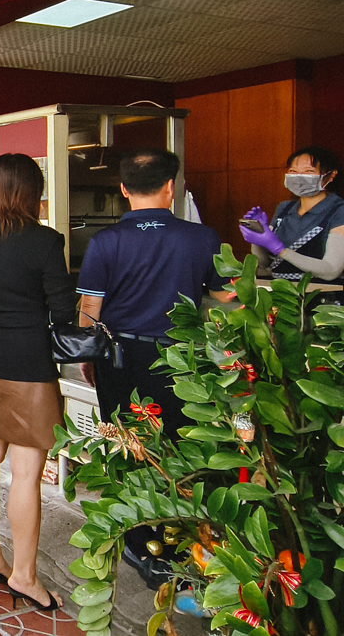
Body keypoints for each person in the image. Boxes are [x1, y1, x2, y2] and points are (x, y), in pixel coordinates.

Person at [76, 148, 234, 587]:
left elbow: (90, 308)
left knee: (131, 446)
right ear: (171, 187)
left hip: (119, 359)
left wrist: (91, 356)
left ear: (123, 189)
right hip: (181, 362)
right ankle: (188, 543)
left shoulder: (105, 242)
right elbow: (229, 302)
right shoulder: (203, 238)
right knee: (182, 447)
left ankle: (144, 544)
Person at [0, 154, 75, 611]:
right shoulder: (46, 241)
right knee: (27, 473)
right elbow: (65, 311)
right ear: (33, 191)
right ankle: (25, 576)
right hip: (29, 362)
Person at [240, 145, 344, 286]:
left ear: (331, 175)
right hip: (279, 293)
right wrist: (258, 238)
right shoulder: (284, 208)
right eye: (293, 171)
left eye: (309, 171)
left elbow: (331, 270)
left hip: (319, 298)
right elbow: (264, 263)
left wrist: (281, 250)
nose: (299, 177)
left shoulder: (339, 210)